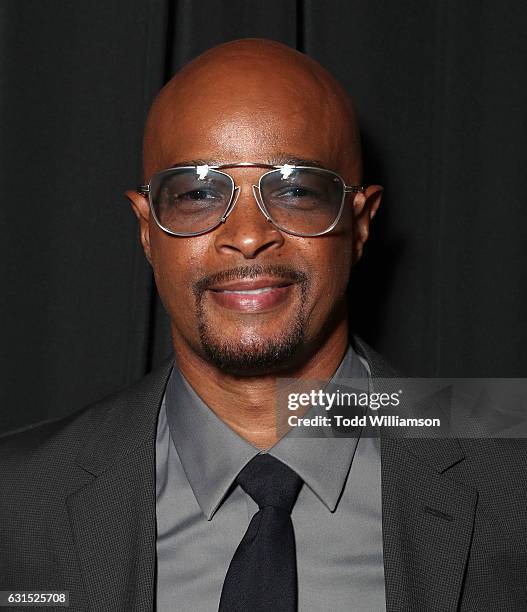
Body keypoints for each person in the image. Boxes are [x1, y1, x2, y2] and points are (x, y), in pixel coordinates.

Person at [0, 38, 525, 612]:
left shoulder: (511, 467)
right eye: (197, 193)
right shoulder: (18, 495)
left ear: (363, 221)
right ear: (147, 230)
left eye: (296, 190)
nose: (248, 235)